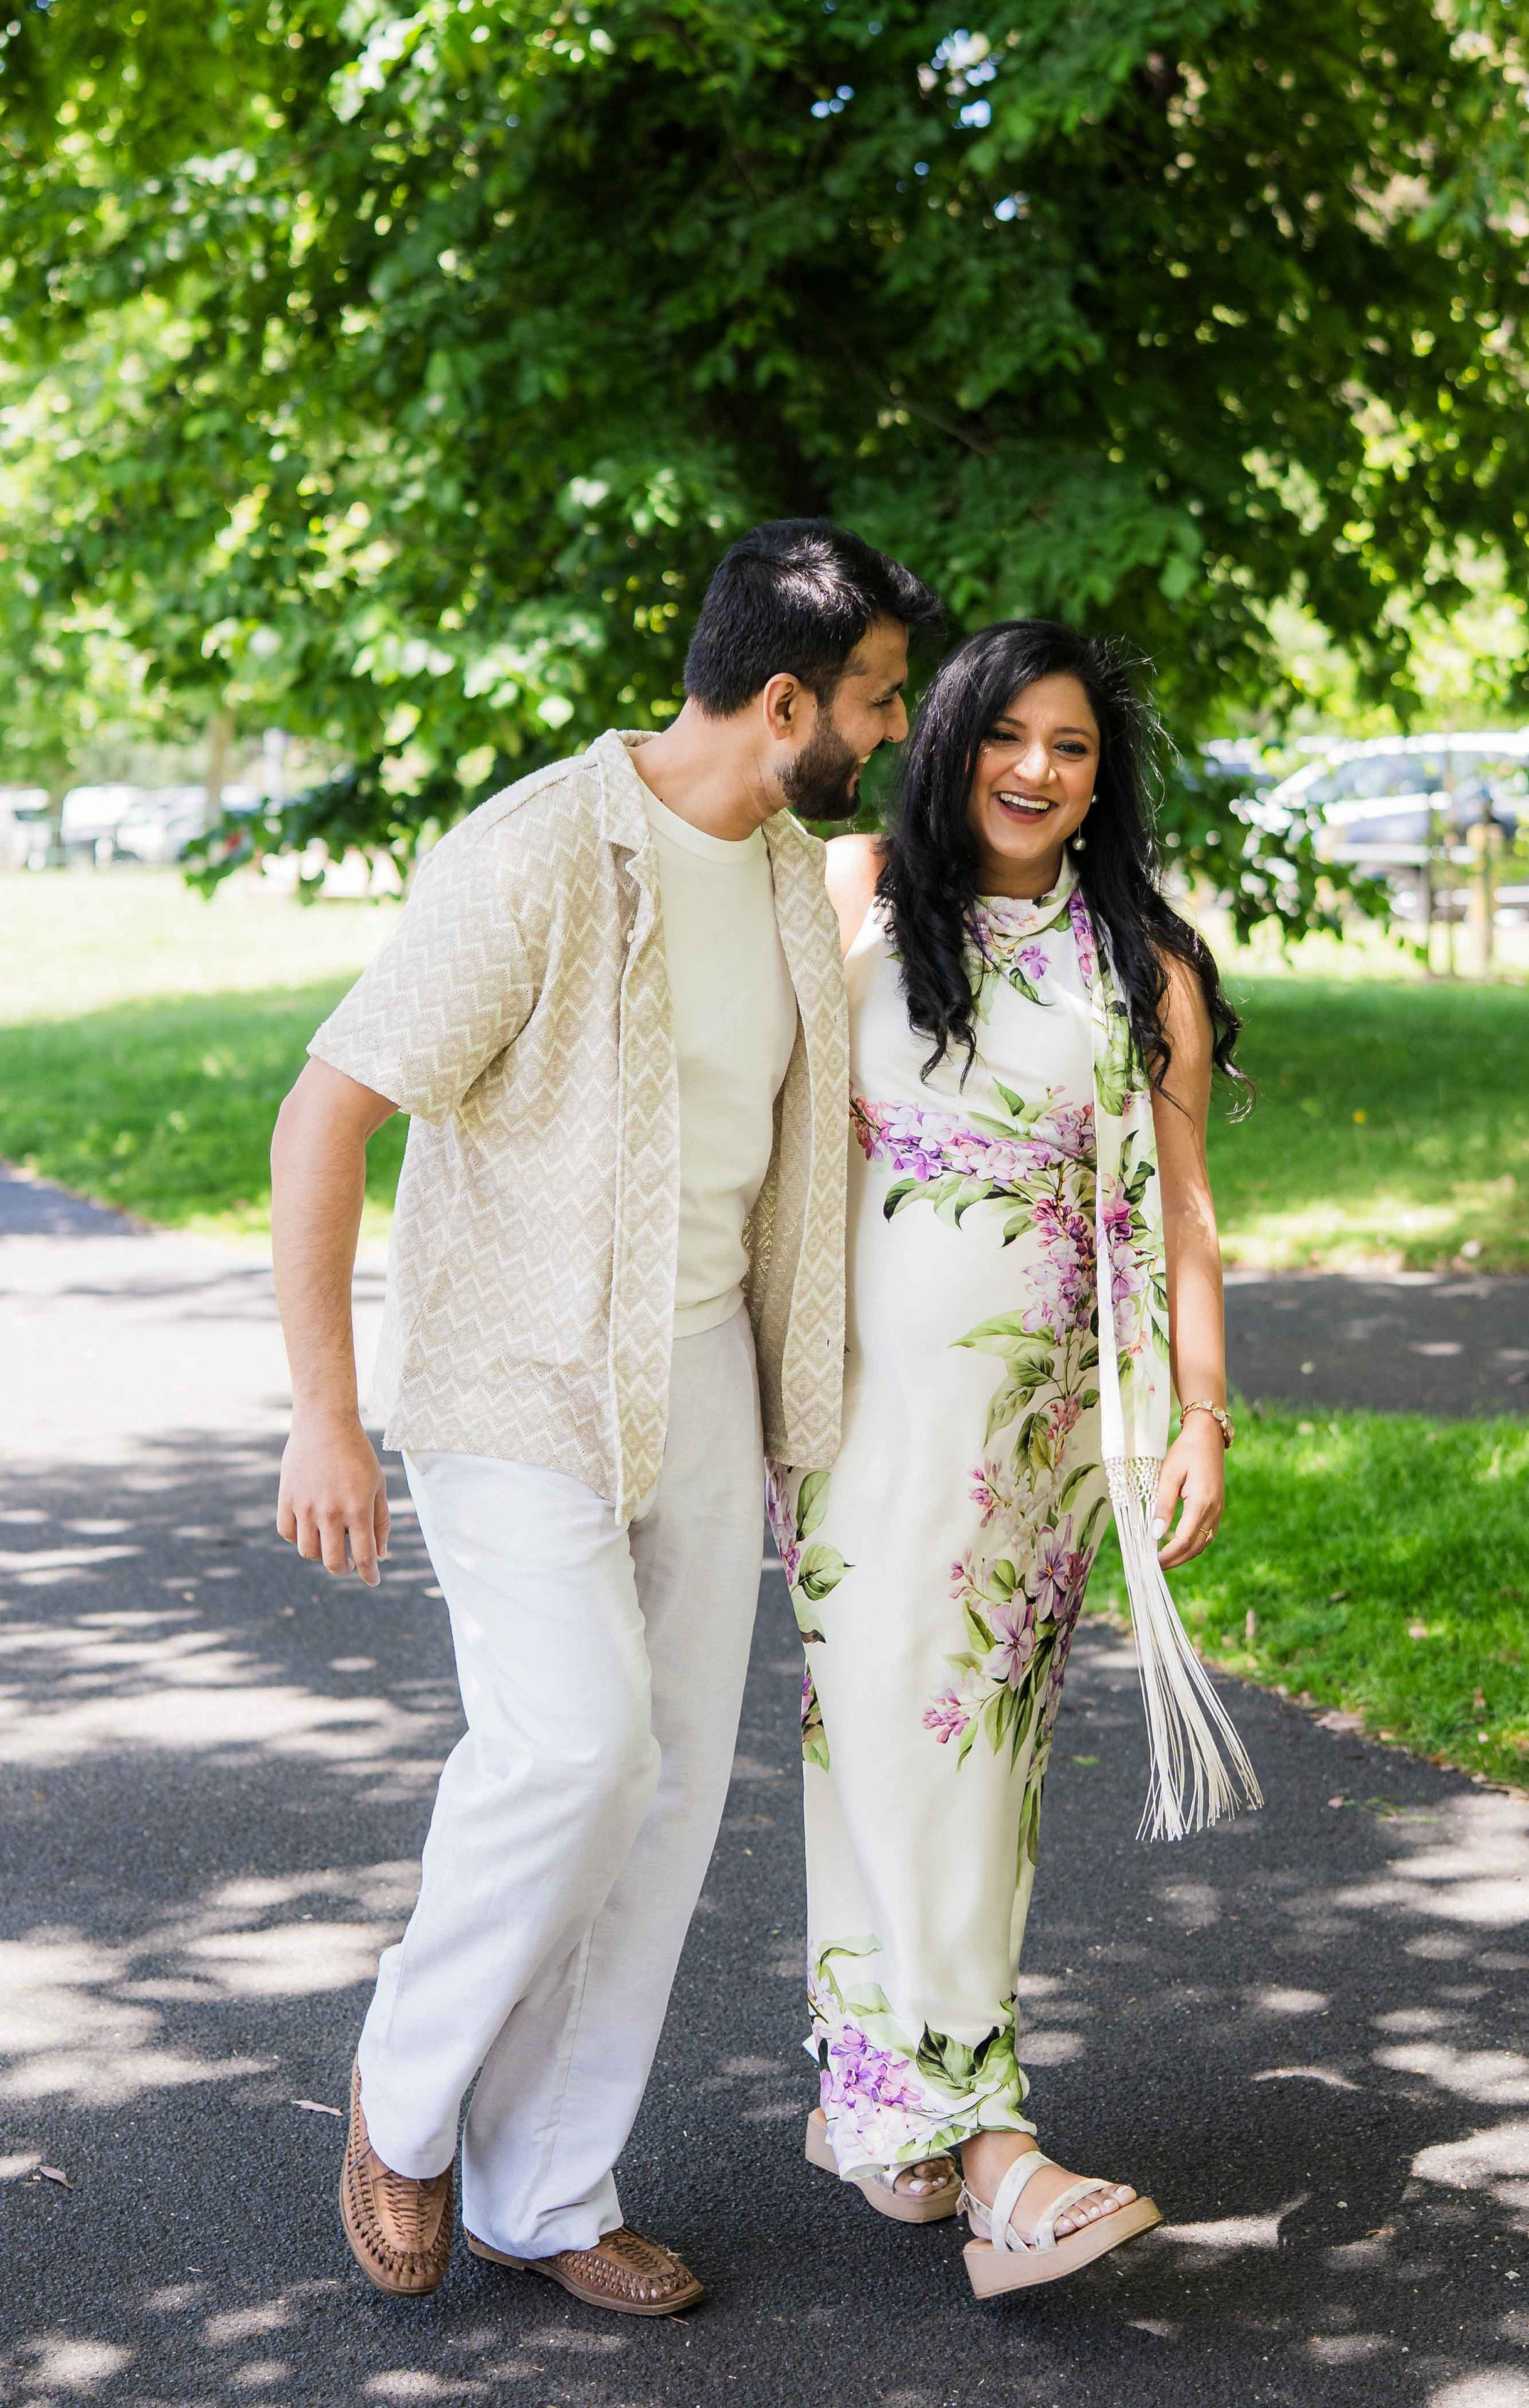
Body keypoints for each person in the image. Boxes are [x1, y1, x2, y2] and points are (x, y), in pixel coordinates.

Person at [269, 520, 943, 2311]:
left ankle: (549, 2192)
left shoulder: (794, 873)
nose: (884, 731)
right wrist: (324, 1415)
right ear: (785, 695)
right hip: (517, 1377)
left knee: (664, 1800)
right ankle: (403, 2103)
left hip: (708, 1368)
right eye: (872, 701)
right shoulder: (539, 857)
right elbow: (324, 1113)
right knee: (573, 1751)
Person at [770, 618, 1261, 2300]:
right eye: (1010, 736)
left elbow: (1182, 1220)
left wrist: (1197, 1415)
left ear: (1099, 778)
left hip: (1048, 1447)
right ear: (954, 738)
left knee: (973, 1770)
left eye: (1073, 748)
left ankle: (886, 2102)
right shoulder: (853, 899)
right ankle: (991, 2152)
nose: (1038, 771)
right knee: (898, 1749)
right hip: (861, 1430)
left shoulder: (1145, 967)